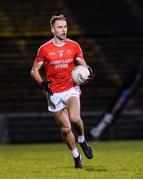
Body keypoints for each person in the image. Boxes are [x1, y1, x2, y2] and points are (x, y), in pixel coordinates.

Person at [31, 14, 94, 168]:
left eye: (65, 27)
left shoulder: (74, 46)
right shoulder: (45, 49)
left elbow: (82, 63)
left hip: (71, 88)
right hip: (54, 93)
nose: (64, 30)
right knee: (66, 130)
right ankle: (77, 157)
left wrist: (88, 71)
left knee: (74, 118)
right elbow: (34, 71)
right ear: (53, 30)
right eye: (60, 27)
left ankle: (82, 140)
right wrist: (42, 84)